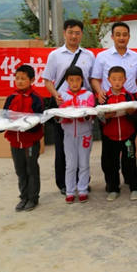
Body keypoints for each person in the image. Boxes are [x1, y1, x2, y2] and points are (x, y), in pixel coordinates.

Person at [42, 19, 95, 195]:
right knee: (63, 149)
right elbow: (47, 80)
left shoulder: (89, 55)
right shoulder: (55, 55)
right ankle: (64, 184)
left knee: (83, 150)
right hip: (63, 108)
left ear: (81, 34)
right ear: (64, 33)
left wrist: (91, 103)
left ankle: (82, 183)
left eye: (77, 33)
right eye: (70, 32)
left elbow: (92, 80)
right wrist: (56, 95)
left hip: (83, 109)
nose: (74, 36)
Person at [91, 21, 137, 189]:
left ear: (129, 37)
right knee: (109, 147)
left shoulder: (136, 57)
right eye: (118, 34)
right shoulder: (102, 56)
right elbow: (95, 79)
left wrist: (132, 100)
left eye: (124, 34)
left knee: (129, 144)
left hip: (129, 102)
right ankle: (111, 183)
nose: (121, 38)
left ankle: (130, 179)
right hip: (109, 103)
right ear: (112, 37)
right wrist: (100, 92)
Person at [2, 64, 44, 212]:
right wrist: (0, 127)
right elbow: (4, 117)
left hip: (30, 141)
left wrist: (27, 126)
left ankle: (33, 198)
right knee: (20, 170)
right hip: (15, 141)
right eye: (17, 78)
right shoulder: (11, 98)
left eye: (23, 79)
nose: (19, 81)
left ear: (32, 80)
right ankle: (23, 197)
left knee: (31, 169)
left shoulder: (36, 98)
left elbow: (40, 120)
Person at [99, 66, 137, 202]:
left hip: (128, 137)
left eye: (120, 79)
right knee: (111, 164)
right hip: (110, 137)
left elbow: (136, 116)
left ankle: (134, 188)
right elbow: (99, 116)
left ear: (125, 80)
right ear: (108, 80)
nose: (117, 82)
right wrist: (107, 116)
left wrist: (130, 113)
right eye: (114, 79)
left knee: (130, 162)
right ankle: (113, 189)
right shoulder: (104, 97)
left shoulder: (130, 96)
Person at [58, 66, 95, 204]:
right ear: (67, 81)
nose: (74, 83)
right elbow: (59, 114)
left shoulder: (88, 95)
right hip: (68, 134)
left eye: (77, 80)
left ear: (82, 80)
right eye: (71, 80)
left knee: (84, 163)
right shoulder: (62, 95)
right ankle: (70, 191)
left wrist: (84, 116)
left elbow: (91, 114)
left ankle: (83, 189)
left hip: (85, 134)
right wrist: (63, 116)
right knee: (70, 164)